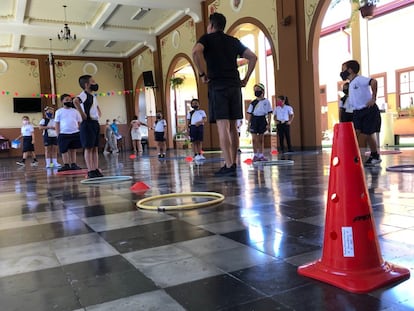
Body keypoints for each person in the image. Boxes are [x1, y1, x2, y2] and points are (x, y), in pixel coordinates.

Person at [192, 12, 257, 176]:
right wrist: (246, 79)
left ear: (212, 26)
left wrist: (202, 73)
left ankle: (228, 166)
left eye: (208, 25)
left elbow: (195, 52)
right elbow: (253, 57)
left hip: (218, 86)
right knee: (233, 127)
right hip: (234, 86)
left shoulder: (206, 39)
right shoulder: (233, 41)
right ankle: (233, 162)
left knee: (223, 126)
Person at [340, 60, 381, 166]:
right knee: (356, 133)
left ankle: (374, 156)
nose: (341, 72)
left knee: (367, 134)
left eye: (343, 69)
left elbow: (374, 82)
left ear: (350, 70)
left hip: (368, 110)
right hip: (357, 112)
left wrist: (373, 98)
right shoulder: (351, 83)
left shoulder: (359, 79)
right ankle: (355, 156)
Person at [73, 75, 103, 178]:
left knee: (95, 148)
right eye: (93, 81)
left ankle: (95, 169)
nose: (95, 83)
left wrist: (99, 113)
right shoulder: (84, 95)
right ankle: (90, 170)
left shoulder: (93, 96)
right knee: (89, 148)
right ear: (87, 84)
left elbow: (96, 107)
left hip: (95, 123)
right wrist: (82, 114)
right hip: (87, 124)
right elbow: (75, 101)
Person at [54, 94, 83, 172]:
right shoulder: (59, 112)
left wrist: (80, 131)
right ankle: (66, 164)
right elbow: (57, 123)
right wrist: (58, 134)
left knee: (73, 149)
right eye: (66, 100)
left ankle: (73, 164)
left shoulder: (75, 111)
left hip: (75, 132)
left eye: (70, 100)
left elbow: (79, 122)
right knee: (64, 150)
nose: (69, 101)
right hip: (63, 133)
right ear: (62, 101)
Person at [246, 83, 273, 161]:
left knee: (261, 139)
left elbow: (269, 113)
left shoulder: (267, 102)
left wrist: (269, 123)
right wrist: (248, 125)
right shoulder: (253, 103)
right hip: (254, 120)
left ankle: (261, 155)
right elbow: (250, 114)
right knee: (254, 139)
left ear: (262, 91)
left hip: (262, 120)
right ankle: (255, 155)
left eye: (258, 90)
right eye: (255, 90)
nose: (256, 91)